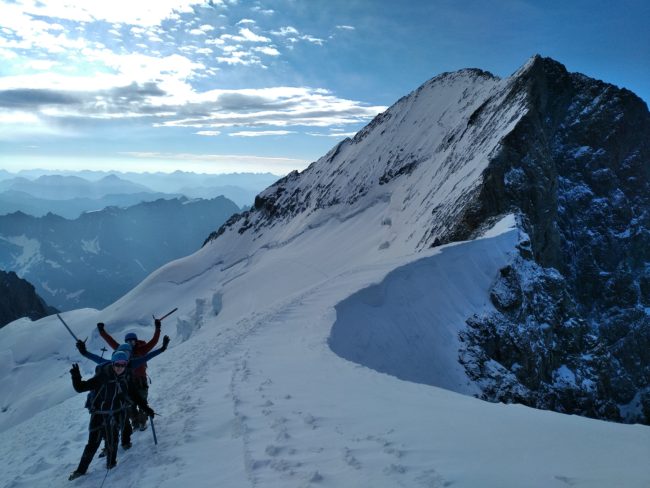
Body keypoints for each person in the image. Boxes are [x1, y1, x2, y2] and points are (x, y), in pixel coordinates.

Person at [68, 351, 154, 481]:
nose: (120, 367)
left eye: (123, 364)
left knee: (113, 441)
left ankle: (111, 465)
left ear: (126, 365)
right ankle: (81, 470)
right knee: (93, 443)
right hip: (98, 415)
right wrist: (76, 376)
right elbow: (81, 387)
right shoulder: (103, 376)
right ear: (113, 363)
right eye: (117, 364)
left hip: (115, 414)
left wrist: (146, 409)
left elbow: (135, 395)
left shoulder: (126, 378)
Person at [75, 336, 170, 453]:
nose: (125, 354)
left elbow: (148, 356)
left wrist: (162, 348)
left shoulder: (122, 363)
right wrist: (83, 352)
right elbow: (147, 357)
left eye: (127, 352)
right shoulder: (119, 363)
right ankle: (113, 444)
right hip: (114, 397)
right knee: (117, 421)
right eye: (123, 352)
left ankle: (122, 441)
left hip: (122, 394)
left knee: (123, 419)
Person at [98, 320, 161, 430]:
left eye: (133, 341)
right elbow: (110, 341)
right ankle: (135, 421)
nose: (131, 343)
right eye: (129, 342)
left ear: (136, 342)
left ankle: (142, 421)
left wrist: (158, 328)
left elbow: (154, 341)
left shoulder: (142, 349)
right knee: (129, 403)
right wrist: (102, 331)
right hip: (127, 381)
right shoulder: (122, 350)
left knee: (142, 401)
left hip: (140, 381)